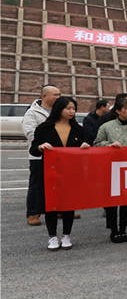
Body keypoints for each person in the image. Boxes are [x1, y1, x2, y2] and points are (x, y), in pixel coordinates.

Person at [29, 96, 91, 250]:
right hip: (50, 172)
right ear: (59, 109)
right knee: (51, 204)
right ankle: (52, 237)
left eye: (73, 108)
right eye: (68, 108)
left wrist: (85, 146)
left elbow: (86, 148)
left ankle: (66, 235)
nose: (71, 111)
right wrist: (41, 147)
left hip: (71, 172)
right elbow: (33, 149)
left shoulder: (78, 129)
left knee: (69, 204)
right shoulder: (44, 128)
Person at [94, 98, 127, 243]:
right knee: (112, 201)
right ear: (118, 111)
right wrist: (109, 145)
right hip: (111, 169)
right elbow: (96, 144)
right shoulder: (106, 127)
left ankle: (123, 229)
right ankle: (113, 230)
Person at [22, 85, 61, 226]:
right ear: (44, 96)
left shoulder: (60, 112)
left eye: (59, 94)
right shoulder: (32, 113)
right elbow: (30, 132)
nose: (58, 97)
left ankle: (59, 209)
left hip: (58, 155)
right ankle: (33, 213)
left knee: (58, 183)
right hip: (39, 155)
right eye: (55, 95)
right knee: (37, 184)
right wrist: (45, 143)